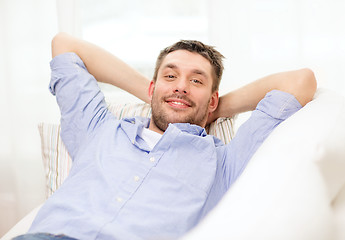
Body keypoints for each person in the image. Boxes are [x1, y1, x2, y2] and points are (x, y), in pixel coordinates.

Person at [15, 33, 317, 240]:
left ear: (212, 100)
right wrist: (159, 95)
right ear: (152, 87)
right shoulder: (98, 129)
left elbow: (300, 81)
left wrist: (214, 107)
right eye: (170, 76)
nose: (181, 86)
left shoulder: (222, 162)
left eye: (196, 80)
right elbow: (65, 45)